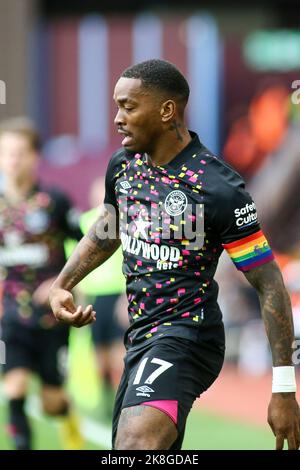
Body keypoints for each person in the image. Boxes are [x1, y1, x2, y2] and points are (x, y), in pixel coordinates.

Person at [49, 59, 300, 450]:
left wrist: (284, 388)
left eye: (128, 106)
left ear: (167, 111)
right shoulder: (124, 165)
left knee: (136, 445)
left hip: (188, 334)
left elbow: (268, 283)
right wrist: (64, 283)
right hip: (140, 336)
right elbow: (109, 227)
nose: (117, 118)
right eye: (117, 106)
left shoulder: (218, 187)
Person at [0, 117, 83, 450]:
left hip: (50, 317)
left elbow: (87, 247)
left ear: (35, 157)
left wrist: (61, 282)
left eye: (19, 153)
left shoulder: (54, 202)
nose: (12, 160)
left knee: (52, 402)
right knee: (15, 388)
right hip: (8, 316)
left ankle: (68, 414)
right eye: (6, 153)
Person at [65, 177, 128, 420]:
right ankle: (108, 401)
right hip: (93, 296)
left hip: (118, 294)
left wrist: (126, 295)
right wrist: (76, 294)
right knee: (99, 357)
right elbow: (73, 258)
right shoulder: (83, 222)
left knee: (120, 354)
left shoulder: (121, 222)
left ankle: (126, 402)